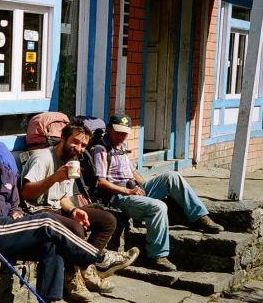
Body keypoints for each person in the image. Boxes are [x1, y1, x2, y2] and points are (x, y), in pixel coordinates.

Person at [0, 128, 136, 303]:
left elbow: (15, 203)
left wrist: (16, 212)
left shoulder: (5, 172)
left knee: (51, 246)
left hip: (8, 227)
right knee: (47, 221)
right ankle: (99, 259)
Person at [21, 120, 139, 303]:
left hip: (58, 208)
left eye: (83, 145)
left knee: (108, 221)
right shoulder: (43, 157)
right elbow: (27, 193)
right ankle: (73, 276)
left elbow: (64, 197)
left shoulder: (72, 161)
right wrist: (54, 178)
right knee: (76, 229)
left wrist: (75, 210)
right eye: (75, 142)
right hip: (36, 211)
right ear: (63, 138)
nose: (79, 148)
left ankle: (87, 268)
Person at [93, 113, 224, 272]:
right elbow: (100, 182)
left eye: (124, 133)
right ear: (108, 128)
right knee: (158, 207)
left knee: (173, 177)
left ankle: (199, 216)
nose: (121, 136)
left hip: (133, 189)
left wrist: (146, 187)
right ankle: (157, 256)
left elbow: (132, 172)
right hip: (118, 196)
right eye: (118, 132)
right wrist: (129, 191)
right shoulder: (101, 149)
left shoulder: (122, 146)